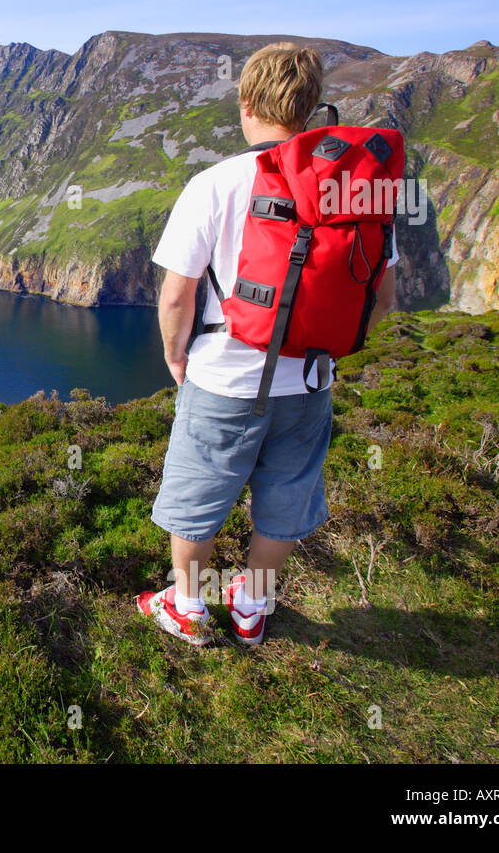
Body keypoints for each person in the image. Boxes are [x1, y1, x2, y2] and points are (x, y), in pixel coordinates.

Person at [137, 42, 398, 646]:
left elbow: (177, 296)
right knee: (285, 497)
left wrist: (177, 355)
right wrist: (326, 348)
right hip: (308, 381)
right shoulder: (352, 190)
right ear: (310, 107)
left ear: (247, 101)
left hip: (224, 377)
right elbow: (381, 298)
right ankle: (253, 608)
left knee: (200, 494)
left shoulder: (216, 183)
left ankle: (188, 607)